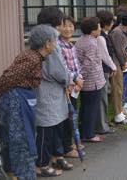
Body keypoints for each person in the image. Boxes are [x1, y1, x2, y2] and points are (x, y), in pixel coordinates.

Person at [0, 25, 57, 180]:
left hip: (15, 98)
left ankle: (12, 173)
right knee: (22, 142)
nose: (56, 44)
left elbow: (9, 76)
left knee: (10, 140)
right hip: (16, 100)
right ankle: (24, 176)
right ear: (47, 43)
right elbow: (8, 77)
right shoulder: (32, 58)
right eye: (55, 41)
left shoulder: (32, 56)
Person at [35, 7, 74, 176]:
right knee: (47, 127)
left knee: (57, 124)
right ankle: (41, 164)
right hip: (48, 90)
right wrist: (68, 79)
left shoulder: (44, 35)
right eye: (60, 22)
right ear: (55, 22)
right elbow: (58, 69)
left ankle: (56, 155)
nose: (62, 26)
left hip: (54, 90)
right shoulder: (49, 38)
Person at [56, 16, 85, 158]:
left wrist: (80, 79)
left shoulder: (71, 45)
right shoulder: (58, 46)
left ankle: (70, 142)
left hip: (75, 87)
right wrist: (75, 80)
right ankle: (67, 147)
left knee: (72, 116)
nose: (68, 29)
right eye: (65, 26)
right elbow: (62, 68)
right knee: (67, 117)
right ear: (59, 28)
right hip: (66, 87)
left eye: (71, 26)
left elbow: (77, 65)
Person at [75, 17, 106, 142]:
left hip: (84, 81)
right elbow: (88, 64)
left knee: (84, 107)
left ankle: (83, 132)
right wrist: (81, 77)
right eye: (98, 27)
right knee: (91, 109)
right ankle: (89, 134)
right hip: (92, 81)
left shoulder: (81, 40)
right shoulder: (92, 43)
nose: (100, 29)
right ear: (93, 30)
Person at [108, 11, 127, 124]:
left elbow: (125, 49)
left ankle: (119, 112)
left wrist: (126, 61)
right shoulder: (117, 32)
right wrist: (124, 62)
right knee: (117, 89)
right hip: (116, 63)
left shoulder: (124, 31)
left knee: (120, 88)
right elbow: (119, 50)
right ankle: (117, 114)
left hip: (120, 62)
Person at [96, 10, 117, 135]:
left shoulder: (104, 35)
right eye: (111, 21)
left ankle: (103, 123)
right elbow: (105, 56)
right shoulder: (101, 37)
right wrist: (113, 67)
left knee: (104, 98)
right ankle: (102, 126)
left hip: (104, 70)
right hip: (102, 70)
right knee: (102, 99)